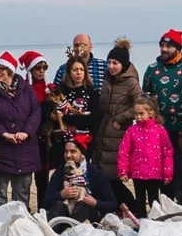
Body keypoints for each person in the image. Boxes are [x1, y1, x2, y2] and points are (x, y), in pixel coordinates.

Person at [0, 52, 42, 209]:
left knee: (22, 194)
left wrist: (26, 132)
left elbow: (35, 112)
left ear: (11, 71)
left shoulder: (26, 88)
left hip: (25, 148)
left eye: (2, 69)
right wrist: (3, 133)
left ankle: (20, 226)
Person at [43, 57, 102, 195]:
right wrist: (53, 115)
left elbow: (93, 118)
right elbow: (49, 109)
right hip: (60, 144)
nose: (79, 73)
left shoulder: (91, 92)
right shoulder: (60, 91)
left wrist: (67, 117)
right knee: (60, 177)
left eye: (82, 70)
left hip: (82, 143)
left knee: (81, 176)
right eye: (75, 70)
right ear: (68, 72)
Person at [90, 40, 142, 191]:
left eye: (115, 63)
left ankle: (125, 206)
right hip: (103, 130)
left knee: (113, 176)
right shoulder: (107, 79)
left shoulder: (131, 83)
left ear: (123, 64)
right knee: (101, 174)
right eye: (109, 62)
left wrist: (121, 118)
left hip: (119, 132)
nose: (111, 66)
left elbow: (141, 105)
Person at [42, 137, 119, 224]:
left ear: (83, 154)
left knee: (82, 207)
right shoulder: (60, 172)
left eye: (73, 151)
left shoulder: (95, 173)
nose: (68, 155)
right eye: (66, 151)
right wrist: (61, 194)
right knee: (58, 206)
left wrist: (95, 203)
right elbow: (46, 202)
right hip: (65, 214)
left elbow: (112, 205)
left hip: (88, 217)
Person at [117, 98, 174, 214]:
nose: (138, 117)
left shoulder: (160, 130)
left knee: (154, 199)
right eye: (136, 114)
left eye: (141, 114)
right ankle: (141, 223)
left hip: (155, 173)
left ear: (151, 113)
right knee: (140, 200)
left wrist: (167, 173)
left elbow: (167, 152)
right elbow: (124, 151)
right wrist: (123, 171)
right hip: (138, 173)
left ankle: (155, 222)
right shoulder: (132, 131)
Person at [140, 30, 182, 131]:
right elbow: (145, 97)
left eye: (168, 46)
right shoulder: (152, 69)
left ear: (178, 49)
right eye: (162, 45)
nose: (164, 49)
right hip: (157, 127)